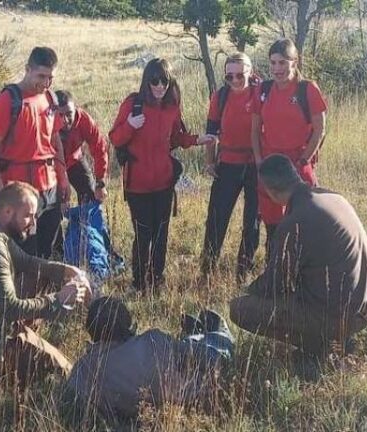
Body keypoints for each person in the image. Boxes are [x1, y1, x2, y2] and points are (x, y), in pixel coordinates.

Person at [229, 155, 367, 364]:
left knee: (240, 309)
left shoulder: (295, 222)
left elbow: (275, 284)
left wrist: (248, 290)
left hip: (341, 315)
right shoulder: (333, 197)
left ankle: (317, 348)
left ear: (271, 192)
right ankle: (333, 338)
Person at [0, 182, 89, 390]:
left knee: (42, 275)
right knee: (69, 372)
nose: (33, 222)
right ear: (7, 212)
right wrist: (59, 299)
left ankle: (24, 336)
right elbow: (10, 308)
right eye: (28, 216)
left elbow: (27, 262)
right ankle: (16, 350)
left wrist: (66, 270)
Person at [108, 58, 212, 291]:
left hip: (164, 183)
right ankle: (139, 284)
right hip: (137, 186)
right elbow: (115, 138)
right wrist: (130, 125)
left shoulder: (171, 107)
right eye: (154, 80)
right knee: (143, 235)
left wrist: (197, 140)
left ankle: (157, 280)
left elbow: (176, 138)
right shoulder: (133, 104)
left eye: (164, 81)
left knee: (161, 235)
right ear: (147, 81)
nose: (160, 86)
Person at [64, 296, 234, 419]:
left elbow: (76, 398)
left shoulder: (82, 370)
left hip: (137, 414)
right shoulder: (152, 341)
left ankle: (196, 335)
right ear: (128, 324)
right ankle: (214, 333)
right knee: (211, 348)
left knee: (185, 349)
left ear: (91, 331)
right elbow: (209, 360)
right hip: (190, 394)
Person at [0, 46, 70, 259]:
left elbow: (55, 141)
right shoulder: (9, 100)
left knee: (47, 251)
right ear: (27, 69)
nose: (46, 83)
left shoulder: (50, 99)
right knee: (24, 254)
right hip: (19, 192)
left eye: (50, 78)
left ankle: (44, 282)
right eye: (41, 76)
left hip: (49, 188)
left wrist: (63, 179)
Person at [251, 38, 328, 254]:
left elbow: (320, 129)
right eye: (273, 63)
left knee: (304, 222)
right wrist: (259, 162)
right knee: (273, 228)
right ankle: (275, 267)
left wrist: (303, 161)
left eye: (283, 62)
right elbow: (255, 130)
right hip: (270, 165)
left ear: (295, 62)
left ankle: (303, 267)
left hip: (298, 165)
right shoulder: (264, 89)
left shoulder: (307, 89)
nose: (277, 69)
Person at [200, 52, 260, 281]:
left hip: (255, 165)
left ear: (251, 73)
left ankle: (243, 272)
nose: (234, 80)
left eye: (240, 75)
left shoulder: (261, 93)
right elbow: (211, 132)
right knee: (216, 218)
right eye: (229, 76)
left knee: (252, 222)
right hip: (228, 164)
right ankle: (207, 271)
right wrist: (209, 161)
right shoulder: (220, 96)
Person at [55, 90, 109, 204]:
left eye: (69, 114)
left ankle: (85, 214)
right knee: (54, 204)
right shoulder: (45, 124)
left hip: (74, 159)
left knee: (90, 195)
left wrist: (100, 182)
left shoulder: (84, 120)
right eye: (60, 115)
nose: (65, 120)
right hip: (51, 166)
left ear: (75, 109)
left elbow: (99, 147)